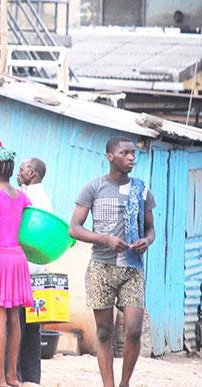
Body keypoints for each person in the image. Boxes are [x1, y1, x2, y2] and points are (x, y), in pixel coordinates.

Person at [69, 136, 156, 387]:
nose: (131, 158)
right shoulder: (93, 188)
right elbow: (74, 228)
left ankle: (124, 382)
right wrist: (104, 239)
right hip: (101, 267)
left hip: (132, 268)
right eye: (125, 153)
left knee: (134, 330)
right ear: (110, 157)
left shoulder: (142, 190)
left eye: (133, 153)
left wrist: (147, 241)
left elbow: (151, 230)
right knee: (105, 332)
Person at [0, 145, 33, 387]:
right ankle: (13, 376)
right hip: (18, 259)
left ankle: (0, 378)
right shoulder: (22, 197)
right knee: (15, 319)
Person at [15, 157, 53, 385]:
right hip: (37, 269)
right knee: (32, 328)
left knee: (19, 325)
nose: (18, 173)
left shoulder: (30, 196)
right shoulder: (41, 196)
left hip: (26, 270)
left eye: (22, 169)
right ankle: (31, 377)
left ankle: (18, 374)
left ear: (33, 174)